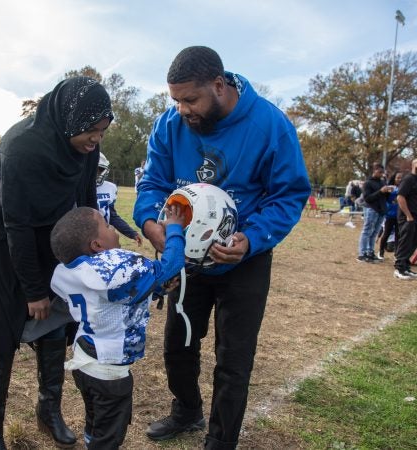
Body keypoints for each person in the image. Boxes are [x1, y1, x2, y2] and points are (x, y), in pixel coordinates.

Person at [133, 46, 310, 449]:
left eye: (190, 100)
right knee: (178, 345)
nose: (181, 110)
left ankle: (220, 440)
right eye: (175, 100)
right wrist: (149, 222)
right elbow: (153, 183)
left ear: (218, 85)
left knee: (233, 361)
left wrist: (252, 239)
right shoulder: (168, 125)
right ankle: (187, 410)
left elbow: (288, 194)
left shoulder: (270, 124)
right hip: (187, 260)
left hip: (243, 261)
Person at [0, 76, 113, 449]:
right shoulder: (22, 147)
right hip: (3, 236)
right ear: (69, 119)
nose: (95, 140)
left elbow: (85, 204)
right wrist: (33, 290)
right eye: (90, 131)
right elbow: (16, 224)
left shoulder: (86, 148)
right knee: (0, 330)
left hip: (54, 234)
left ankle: (49, 412)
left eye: (102, 132)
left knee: (55, 323)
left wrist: (89, 260)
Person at [49, 205, 185, 449]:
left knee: (95, 422)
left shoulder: (75, 269)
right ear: (97, 245)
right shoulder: (112, 266)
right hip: (109, 372)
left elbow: (113, 301)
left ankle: (92, 440)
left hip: (85, 360)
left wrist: (156, 290)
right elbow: (171, 264)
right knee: (109, 437)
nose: (113, 228)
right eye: (107, 225)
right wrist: (175, 227)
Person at [393, 157, 417, 280]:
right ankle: (399, 269)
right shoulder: (408, 179)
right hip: (408, 218)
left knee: (413, 243)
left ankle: (406, 267)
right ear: (414, 165)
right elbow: (400, 198)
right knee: (406, 242)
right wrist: (408, 215)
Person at [96, 152, 142, 246]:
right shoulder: (77, 187)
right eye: (92, 169)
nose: (96, 173)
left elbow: (112, 217)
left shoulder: (110, 188)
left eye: (100, 170)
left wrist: (131, 233)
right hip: (83, 235)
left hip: (103, 236)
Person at [357, 163, 394, 263]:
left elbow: (384, 197)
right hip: (371, 209)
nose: (381, 174)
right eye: (379, 172)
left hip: (381, 210)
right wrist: (381, 191)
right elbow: (367, 198)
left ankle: (370, 252)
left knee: (374, 233)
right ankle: (362, 253)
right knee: (367, 231)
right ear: (374, 171)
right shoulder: (368, 183)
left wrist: (388, 192)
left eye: (382, 172)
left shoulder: (382, 182)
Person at [378, 171, 403, 259]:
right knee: (387, 233)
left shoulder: (403, 188)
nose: (399, 180)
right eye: (398, 178)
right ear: (394, 178)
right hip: (390, 214)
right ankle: (381, 252)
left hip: (400, 214)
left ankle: (397, 253)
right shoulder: (390, 187)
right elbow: (385, 198)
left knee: (398, 234)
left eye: (401, 178)